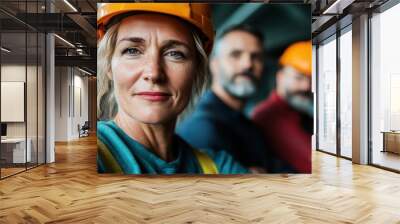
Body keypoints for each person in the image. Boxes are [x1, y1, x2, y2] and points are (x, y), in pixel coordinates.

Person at [96, 3, 248, 174]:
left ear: (197, 69)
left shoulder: (218, 167)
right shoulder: (94, 154)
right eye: (132, 51)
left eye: (175, 54)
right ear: (109, 65)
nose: (153, 73)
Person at [177, 24, 268, 172]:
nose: (248, 64)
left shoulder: (246, 124)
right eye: (236, 55)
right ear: (214, 65)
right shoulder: (203, 128)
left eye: (256, 57)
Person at [252, 41, 313, 173]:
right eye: (299, 77)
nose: (306, 86)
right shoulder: (269, 115)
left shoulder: (300, 112)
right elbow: (311, 164)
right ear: (280, 77)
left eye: (312, 79)